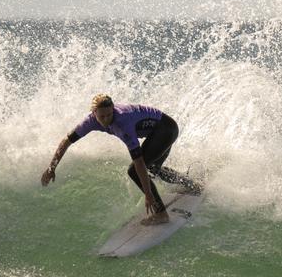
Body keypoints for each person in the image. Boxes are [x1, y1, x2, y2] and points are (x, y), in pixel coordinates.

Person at [41, 94, 201, 225]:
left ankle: (161, 214)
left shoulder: (123, 122)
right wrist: (52, 167)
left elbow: (138, 162)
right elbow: (66, 141)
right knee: (153, 169)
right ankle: (192, 185)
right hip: (157, 131)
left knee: (134, 171)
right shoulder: (89, 122)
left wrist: (148, 194)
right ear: (93, 113)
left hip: (166, 130)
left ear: (113, 110)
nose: (106, 119)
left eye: (109, 114)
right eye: (101, 116)